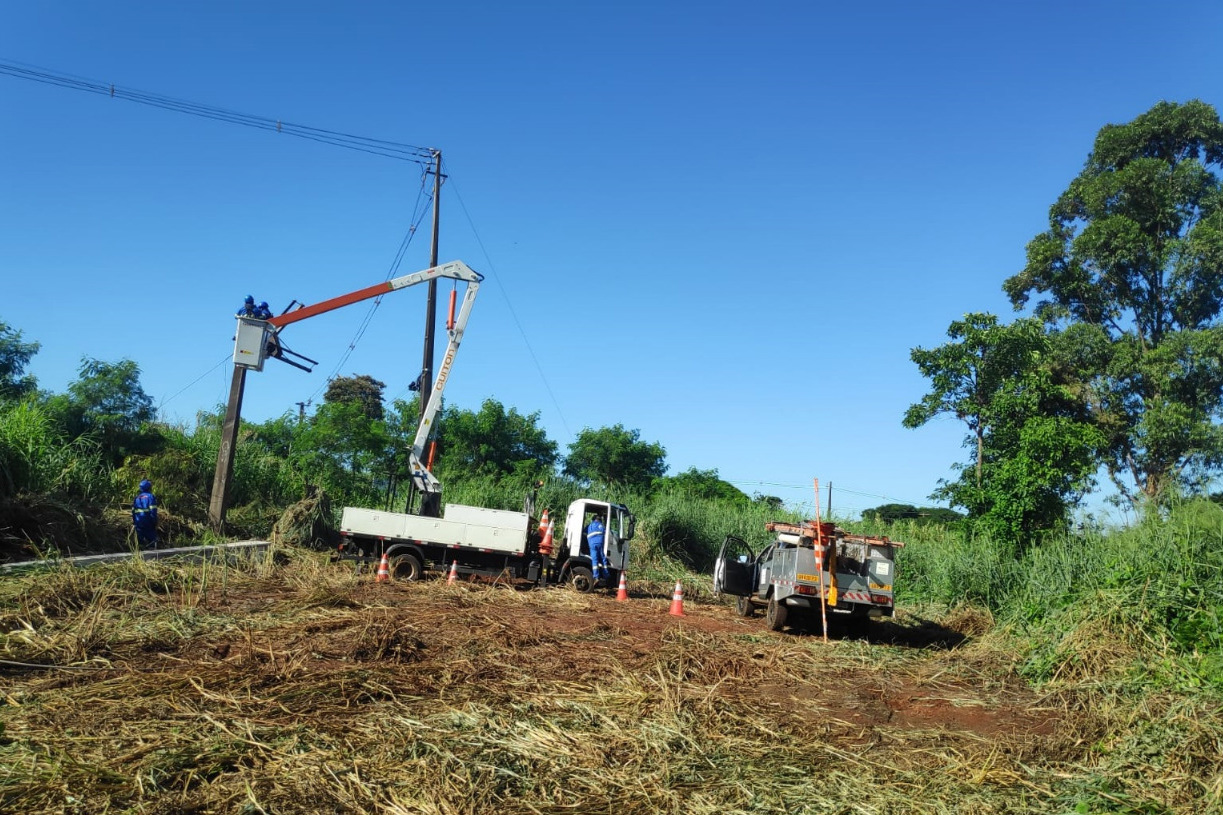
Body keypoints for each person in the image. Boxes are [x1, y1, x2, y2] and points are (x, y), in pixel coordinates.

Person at [131, 479, 159, 550]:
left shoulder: (137, 498)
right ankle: (152, 554)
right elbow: (153, 510)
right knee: (152, 539)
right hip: (148, 521)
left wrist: (135, 522)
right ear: (149, 487)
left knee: (140, 541)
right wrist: (155, 521)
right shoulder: (150, 497)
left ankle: (141, 555)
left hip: (138, 521)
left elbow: (133, 511)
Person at [586, 514, 608, 582]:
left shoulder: (590, 526)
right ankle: (606, 575)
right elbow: (607, 533)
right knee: (603, 559)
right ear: (599, 520)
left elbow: (584, 532)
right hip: (600, 544)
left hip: (592, 545)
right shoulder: (601, 526)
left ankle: (596, 576)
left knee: (594, 560)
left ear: (593, 520)